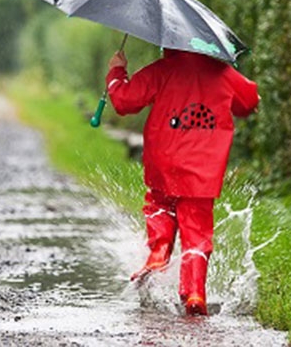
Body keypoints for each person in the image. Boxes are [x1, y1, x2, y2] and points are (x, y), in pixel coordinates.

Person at [105, 48, 259, 316]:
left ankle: (158, 252)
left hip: (164, 160)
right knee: (197, 231)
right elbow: (248, 102)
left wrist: (116, 72)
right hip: (203, 169)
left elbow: (124, 101)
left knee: (159, 205)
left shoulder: (162, 70)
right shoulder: (222, 73)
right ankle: (195, 292)